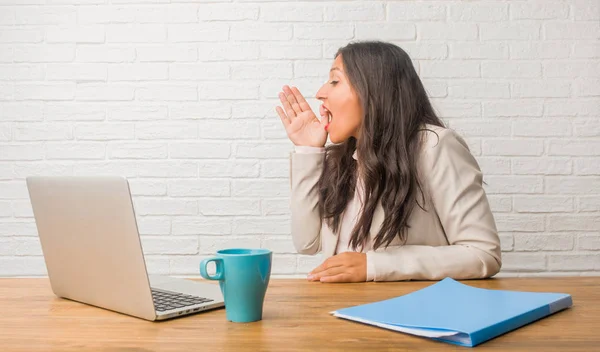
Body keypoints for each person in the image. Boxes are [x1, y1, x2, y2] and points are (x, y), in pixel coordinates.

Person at [275, 41, 501, 283]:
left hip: (408, 309)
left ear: (373, 88)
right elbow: (307, 243)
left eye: (335, 81)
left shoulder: (434, 147)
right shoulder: (342, 160)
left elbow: (482, 254)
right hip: (338, 307)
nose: (320, 92)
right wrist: (308, 151)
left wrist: (373, 265)